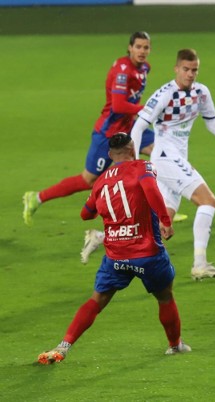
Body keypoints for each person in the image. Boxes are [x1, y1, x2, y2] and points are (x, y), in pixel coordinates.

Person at [38, 133, 190, 365]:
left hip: (116, 255)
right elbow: (150, 189)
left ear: (110, 155)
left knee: (97, 300)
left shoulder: (100, 181)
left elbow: (85, 214)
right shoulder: (142, 167)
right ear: (133, 149)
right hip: (147, 253)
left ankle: (64, 345)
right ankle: (175, 345)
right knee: (165, 296)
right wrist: (166, 222)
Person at [130, 48, 215, 281]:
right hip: (164, 158)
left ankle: (102, 239)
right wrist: (132, 163)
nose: (190, 74)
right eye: (186, 69)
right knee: (208, 201)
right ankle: (200, 264)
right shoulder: (165, 94)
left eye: (194, 70)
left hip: (177, 158)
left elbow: (211, 121)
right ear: (176, 69)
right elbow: (139, 127)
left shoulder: (202, 93)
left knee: (163, 224)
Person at [23, 32, 156, 227]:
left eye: (146, 47)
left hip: (131, 127)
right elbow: (118, 106)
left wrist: (138, 115)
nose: (142, 51)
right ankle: (37, 197)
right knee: (88, 180)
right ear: (129, 48)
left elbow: (132, 100)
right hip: (110, 132)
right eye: (138, 47)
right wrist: (145, 109)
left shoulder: (145, 68)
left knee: (161, 153)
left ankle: (166, 206)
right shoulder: (123, 71)